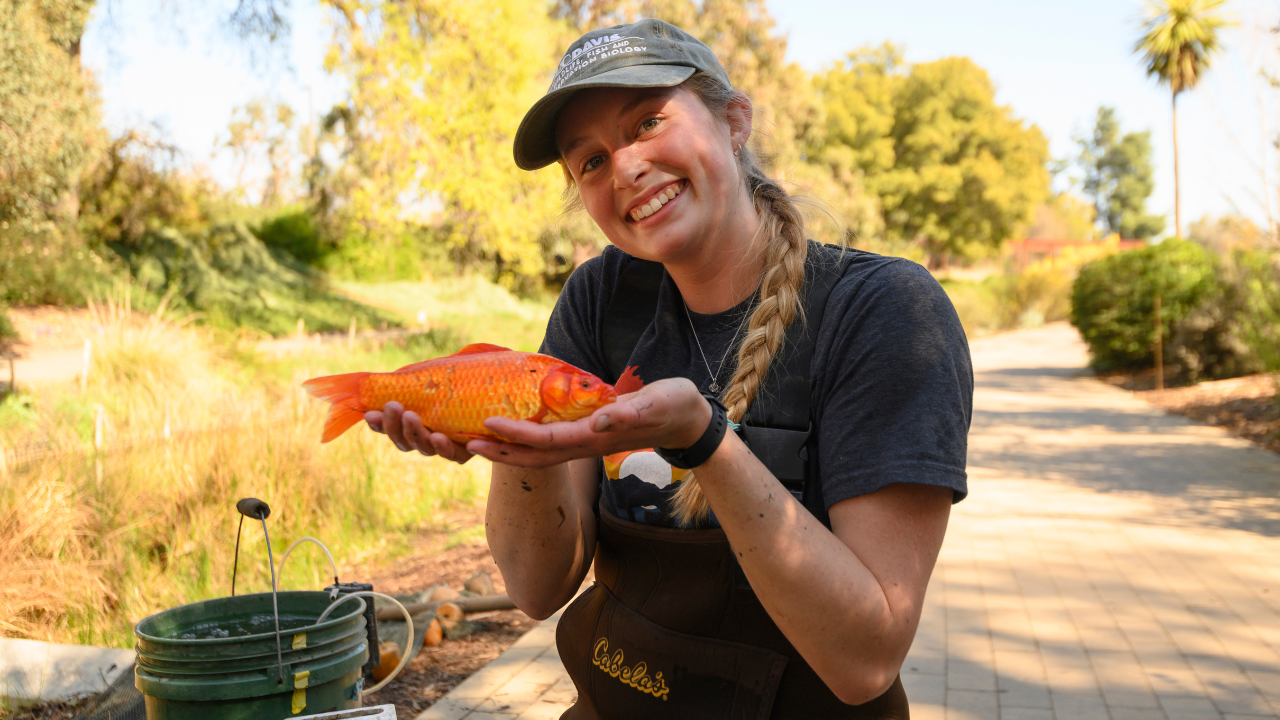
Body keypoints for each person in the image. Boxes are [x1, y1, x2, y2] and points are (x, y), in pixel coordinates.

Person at [366, 18, 972, 719]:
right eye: (589, 161)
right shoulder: (598, 300)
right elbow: (537, 590)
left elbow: (865, 661)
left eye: (648, 122)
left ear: (734, 121)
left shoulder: (883, 312)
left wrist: (706, 443)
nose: (623, 168)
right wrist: (516, 444)